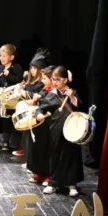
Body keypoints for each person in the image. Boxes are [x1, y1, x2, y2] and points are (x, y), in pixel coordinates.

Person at [36, 66, 83, 197]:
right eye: (53, 79)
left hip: (72, 128)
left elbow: (80, 106)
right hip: (56, 130)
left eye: (58, 79)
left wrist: (73, 97)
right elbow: (41, 108)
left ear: (66, 80)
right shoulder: (52, 94)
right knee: (55, 155)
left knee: (71, 155)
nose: (55, 82)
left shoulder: (72, 92)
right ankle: (53, 183)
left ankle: (72, 184)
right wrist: (39, 114)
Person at [0, 44, 24, 149]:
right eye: (0, 56)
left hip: (10, 98)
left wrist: (9, 75)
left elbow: (19, 80)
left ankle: (5, 141)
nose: (1, 58)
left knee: (6, 118)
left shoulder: (16, 67)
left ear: (11, 57)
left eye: (4, 56)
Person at [18, 48, 50, 162]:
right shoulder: (30, 79)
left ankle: (31, 159)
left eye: (35, 68)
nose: (32, 70)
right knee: (26, 133)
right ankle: (26, 154)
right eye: (31, 67)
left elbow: (38, 94)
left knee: (33, 136)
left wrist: (26, 93)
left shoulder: (42, 83)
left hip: (37, 112)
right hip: (28, 110)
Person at [24, 65, 54, 186]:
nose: (42, 81)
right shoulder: (44, 90)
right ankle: (37, 172)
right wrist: (34, 100)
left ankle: (47, 175)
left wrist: (38, 102)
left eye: (45, 79)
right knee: (37, 147)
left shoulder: (54, 93)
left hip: (49, 125)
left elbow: (48, 106)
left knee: (47, 150)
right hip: (39, 125)